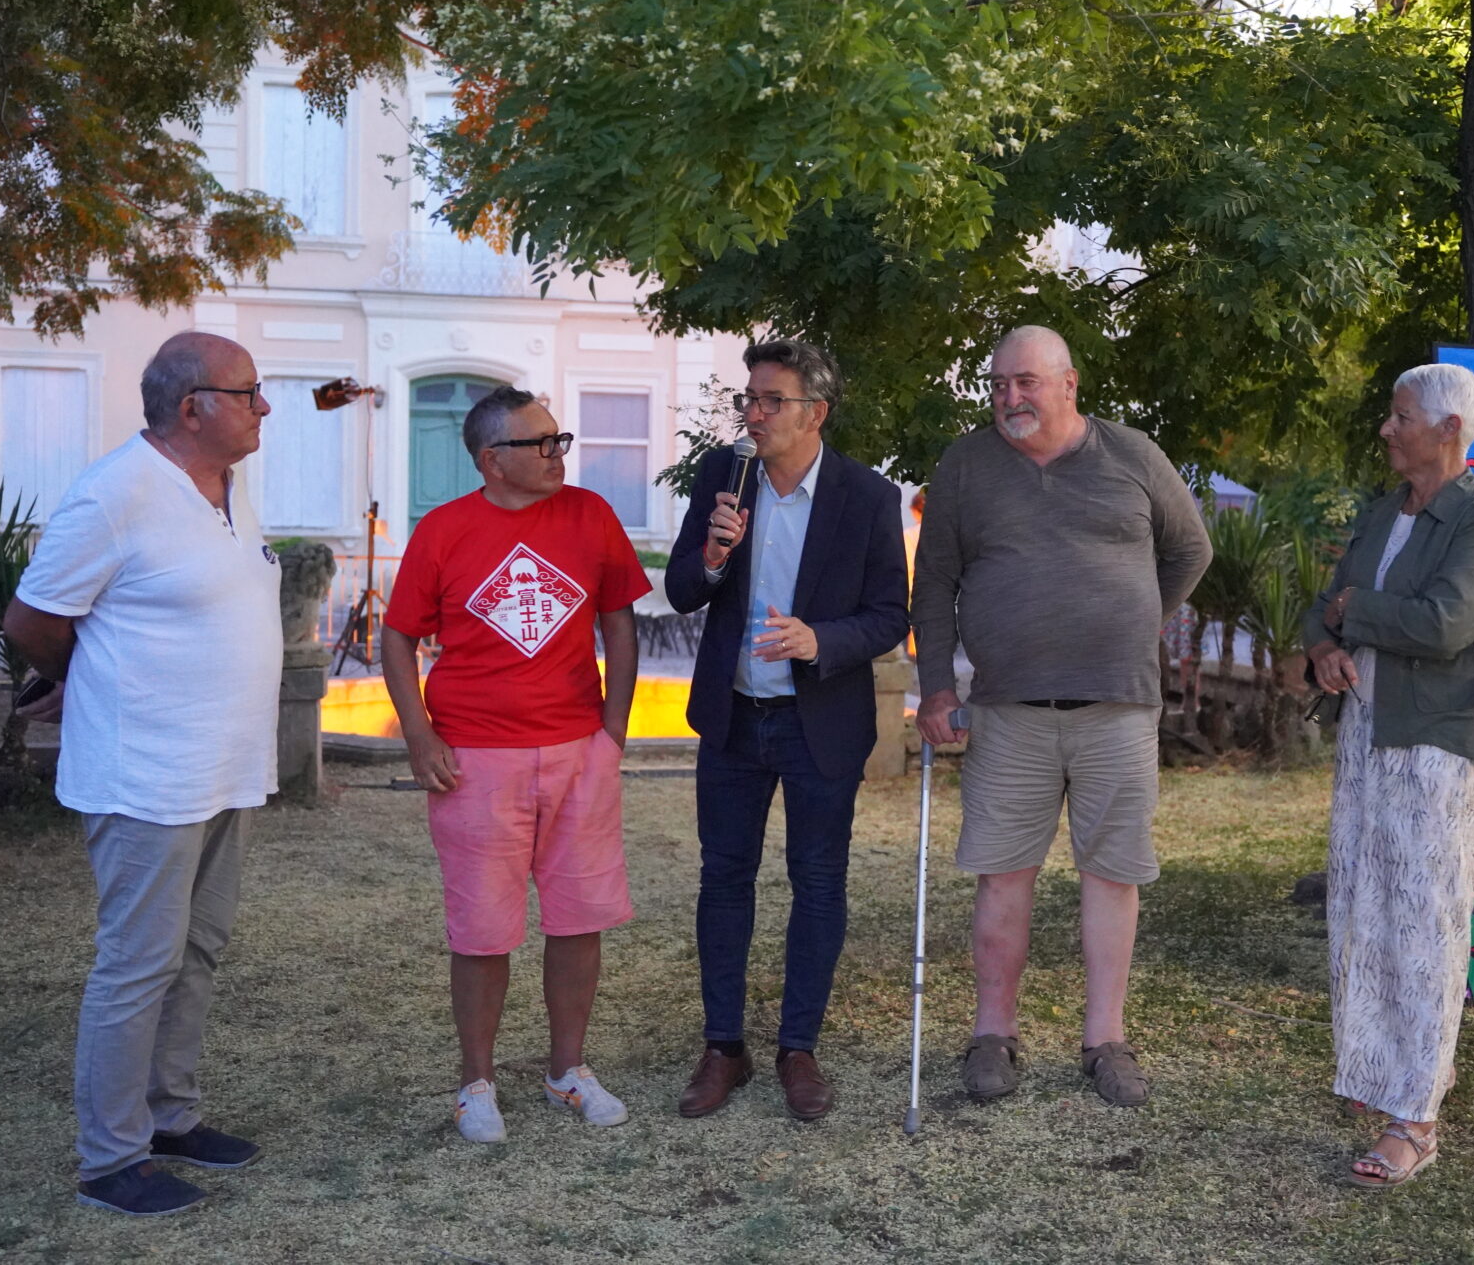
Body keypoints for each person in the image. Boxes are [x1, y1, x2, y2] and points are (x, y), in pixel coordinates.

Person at [3, 332, 280, 1217]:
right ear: (192, 407)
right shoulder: (114, 492)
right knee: (138, 963)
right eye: (248, 391)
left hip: (226, 767)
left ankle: (169, 1116)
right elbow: (32, 620)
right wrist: (77, 675)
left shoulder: (231, 486)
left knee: (196, 951)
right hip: (146, 775)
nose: (264, 405)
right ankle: (110, 1159)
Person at [912, 324, 1211, 1107]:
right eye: (998, 384)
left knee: (1112, 873)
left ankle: (1105, 1039)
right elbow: (933, 580)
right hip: (1007, 709)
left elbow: (1190, 551)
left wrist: (1137, 617)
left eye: (1026, 382)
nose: (1009, 397)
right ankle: (993, 1033)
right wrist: (937, 687)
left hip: (1118, 707)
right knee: (1002, 873)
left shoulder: (1133, 454)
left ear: (1070, 384)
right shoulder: (966, 464)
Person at [381, 386, 650, 1142]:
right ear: (491, 459)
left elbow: (619, 624)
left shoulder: (591, 515)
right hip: (475, 759)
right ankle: (476, 1084)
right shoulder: (443, 530)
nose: (557, 453)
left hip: (578, 752)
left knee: (580, 918)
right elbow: (398, 636)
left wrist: (613, 732)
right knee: (482, 930)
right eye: (540, 443)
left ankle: (568, 1069)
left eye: (559, 438)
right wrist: (419, 734)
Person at [664, 340, 908, 1120]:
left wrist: (819, 639)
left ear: (817, 412)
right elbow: (681, 589)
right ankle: (723, 1047)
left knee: (819, 882)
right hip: (733, 718)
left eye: (773, 400)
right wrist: (712, 553)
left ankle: (798, 1048)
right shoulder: (723, 475)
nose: (755, 413)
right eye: (750, 398)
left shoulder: (867, 496)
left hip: (819, 724)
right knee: (723, 880)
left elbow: (889, 616)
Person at [1303, 362, 1474, 1188]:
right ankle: (1392, 1071)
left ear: (1449, 430)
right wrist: (1323, 644)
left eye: (1401, 417)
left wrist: (1352, 613)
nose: (1386, 430)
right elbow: (1324, 602)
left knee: (1425, 921)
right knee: (1363, 909)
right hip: (1366, 737)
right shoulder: (1380, 512)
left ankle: (1416, 1121)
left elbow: (1442, 624)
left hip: (1437, 744)